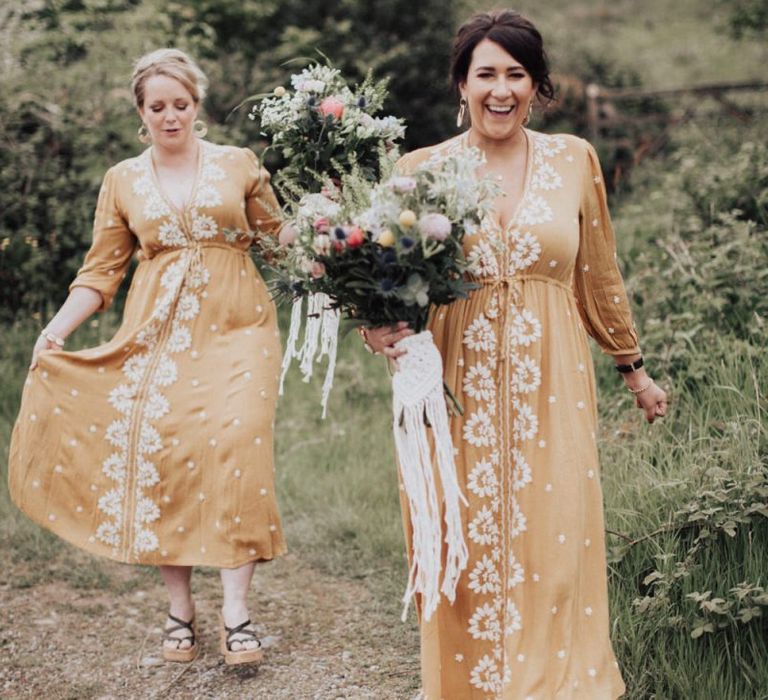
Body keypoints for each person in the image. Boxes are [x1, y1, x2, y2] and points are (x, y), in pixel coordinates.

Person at [363, 10, 667, 699]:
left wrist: (632, 366)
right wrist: (373, 327)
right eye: (485, 74)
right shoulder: (420, 171)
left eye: (515, 74)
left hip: (551, 384)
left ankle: (556, 687)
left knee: (556, 541)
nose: (500, 90)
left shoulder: (573, 159)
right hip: (452, 387)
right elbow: (384, 282)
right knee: (463, 538)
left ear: (537, 86)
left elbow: (597, 273)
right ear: (461, 85)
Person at [8, 48, 286, 665]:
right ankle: (179, 610)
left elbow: (280, 241)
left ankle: (236, 612)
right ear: (141, 111)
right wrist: (52, 332)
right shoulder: (123, 180)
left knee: (239, 441)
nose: (170, 117)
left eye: (180, 105)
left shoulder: (239, 164)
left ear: (197, 105)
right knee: (170, 454)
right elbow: (100, 272)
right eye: (157, 107)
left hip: (241, 328)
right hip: (158, 335)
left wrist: (335, 232)